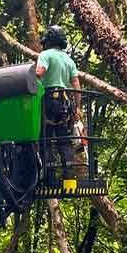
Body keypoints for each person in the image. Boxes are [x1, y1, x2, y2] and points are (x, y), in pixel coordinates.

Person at [36, 26, 82, 185]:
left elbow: (39, 72)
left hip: (48, 101)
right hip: (64, 103)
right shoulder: (69, 60)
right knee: (64, 141)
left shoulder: (45, 55)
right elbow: (76, 84)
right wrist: (78, 107)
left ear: (48, 41)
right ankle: (69, 178)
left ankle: (50, 178)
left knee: (46, 139)